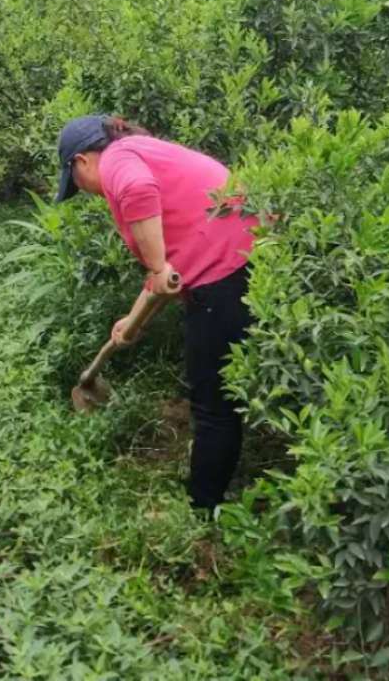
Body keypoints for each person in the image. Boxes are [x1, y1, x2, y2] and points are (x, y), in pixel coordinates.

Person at [53, 113, 258, 512]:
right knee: (227, 385)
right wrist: (132, 323)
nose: (87, 192)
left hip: (224, 271)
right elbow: (169, 272)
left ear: (81, 161)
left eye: (76, 184)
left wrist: (158, 265)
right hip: (249, 257)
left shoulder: (117, 160)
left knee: (213, 404)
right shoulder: (144, 151)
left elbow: (141, 204)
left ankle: (203, 512)